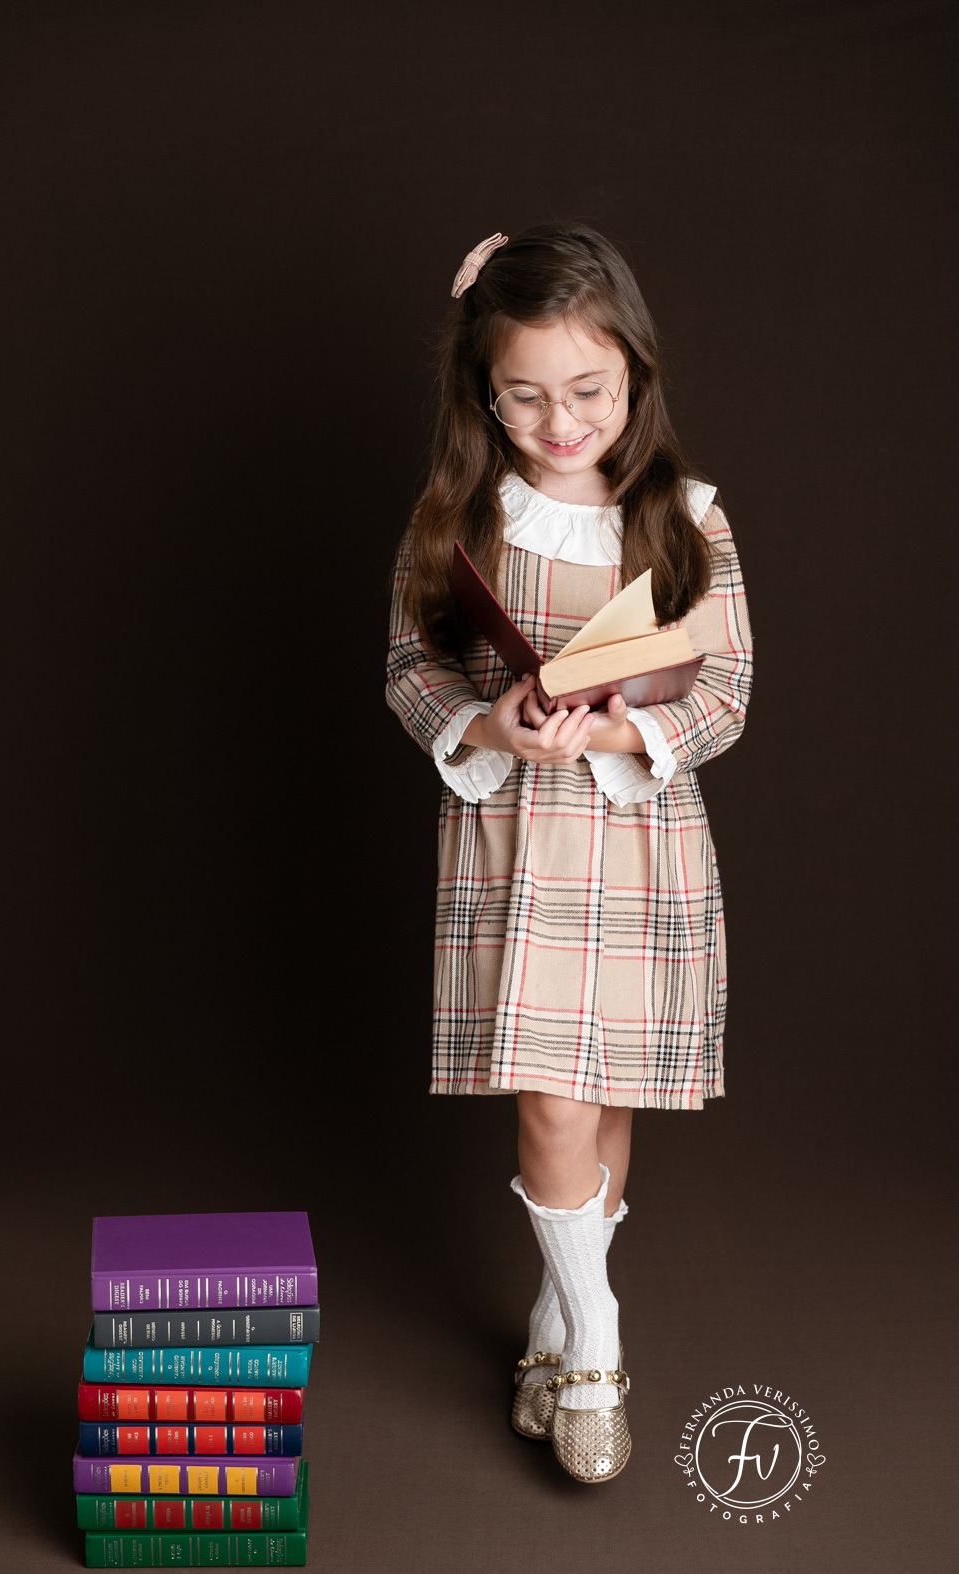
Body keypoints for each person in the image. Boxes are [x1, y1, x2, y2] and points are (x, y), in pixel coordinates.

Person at [385, 224, 753, 1484]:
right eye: (526, 396)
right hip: (516, 843)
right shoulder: (459, 517)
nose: (561, 422)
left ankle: (550, 1321)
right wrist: (490, 724)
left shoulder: (688, 521)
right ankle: (597, 1347)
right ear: (484, 390)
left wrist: (614, 724)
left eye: (589, 391)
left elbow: (729, 689)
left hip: (639, 845)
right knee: (551, 1100)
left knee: (600, 1101)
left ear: (636, 374)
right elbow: (410, 668)